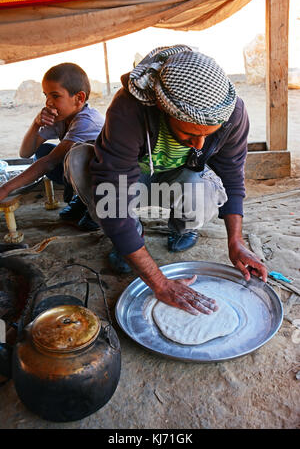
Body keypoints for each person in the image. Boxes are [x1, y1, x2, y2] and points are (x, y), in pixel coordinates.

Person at [64, 45, 268, 316]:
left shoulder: (232, 113)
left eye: (208, 135)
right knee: (79, 163)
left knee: (203, 190)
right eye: (189, 134)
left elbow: (232, 174)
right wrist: (159, 283)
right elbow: (113, 196)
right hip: (132, 181)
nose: (199, 144)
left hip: (177, 179)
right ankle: (130, 236)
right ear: (162, 107)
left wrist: (236, 241)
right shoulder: (128, 109)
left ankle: (183, 227)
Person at [0, 62, 105, 231]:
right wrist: (36, 124)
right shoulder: (61, 117)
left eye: (55, 96)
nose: (48, 102)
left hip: (108, 181)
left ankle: (96, 205)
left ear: (79, 98)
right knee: (43, 151)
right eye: (46, 95)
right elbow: (26, 152)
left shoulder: (87, 121)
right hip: (83, 174)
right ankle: (82, 199)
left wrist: (5, 189)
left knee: (72, 157)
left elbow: (49, 163)